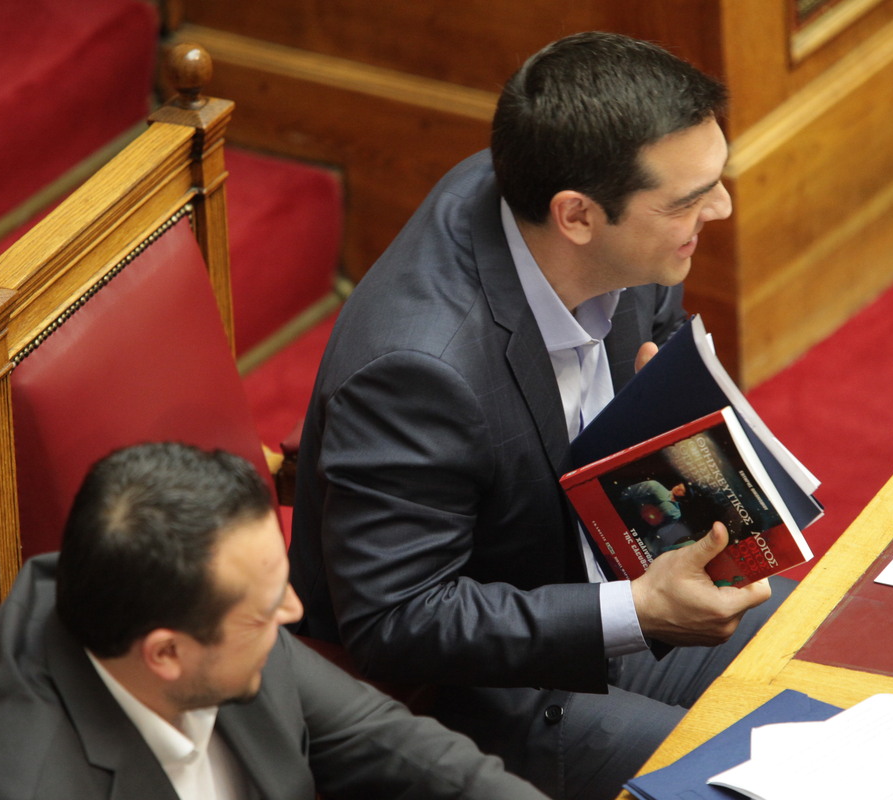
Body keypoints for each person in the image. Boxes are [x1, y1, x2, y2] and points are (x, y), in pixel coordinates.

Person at [289, 31, 796, 800]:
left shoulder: (605, 216)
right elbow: (396, 622)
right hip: (477, 684)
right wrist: (634, 611)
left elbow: (659, 334)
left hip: (610, 566)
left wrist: (669, 405)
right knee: (730, 783)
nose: (721, 207)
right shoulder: (417, 370)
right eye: (690, 199)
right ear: (577, 217)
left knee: (827, 653)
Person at [0, 442, 549, 800]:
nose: (292, 612)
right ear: (166, 654)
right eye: (268, 609)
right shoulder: (16, 785)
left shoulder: (206, 605)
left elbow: (394, 746)